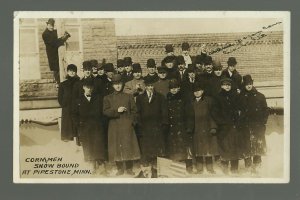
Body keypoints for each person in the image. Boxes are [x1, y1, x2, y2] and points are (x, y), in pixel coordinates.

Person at [103, 74, 141, 176]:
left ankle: (129, 168)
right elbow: (105, 111)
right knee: (116, 146)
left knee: (128, 146)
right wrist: (117, 111)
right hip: (114, 126)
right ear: (112, 86)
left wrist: (132, 122)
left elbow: (135, 111)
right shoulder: (108, 98)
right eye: (115, 84)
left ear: (122, 84)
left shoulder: (129, 96)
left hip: (127, 125)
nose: (118, 86)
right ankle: (120, 168)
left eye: (119, 84)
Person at [136, 76, 168, 177]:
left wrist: (163, 125)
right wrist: (139, 126)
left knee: (157, 149)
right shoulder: (140, 98)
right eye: (148, 86)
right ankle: (147, 171)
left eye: (152, 85)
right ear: (145, 86)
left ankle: (157, 170)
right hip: (145, 128)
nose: (150, 87)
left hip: (157, 128)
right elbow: (138, 113)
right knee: (146, 150)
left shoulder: (160, 97)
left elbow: (164, 113)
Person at [72, 79, 106, 174]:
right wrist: (79, 124)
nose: (89, 89)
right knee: (88, 146)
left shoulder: (98, 98)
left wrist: (101, 123)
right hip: (85, 128)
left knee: (98, 145)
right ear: (83, 87)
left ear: (93, 88)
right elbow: (74, 114)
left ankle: (101, 166)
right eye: (87, 87)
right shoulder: (78, 100)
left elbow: (103, 112)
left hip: (97, 127)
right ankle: (91, 166)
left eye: (91, 87)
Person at [238, 74, 269, 172]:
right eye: (247, 84)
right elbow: (237, 110)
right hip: (245, 126)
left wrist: (263, 122)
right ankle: (248, 166)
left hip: (257, 126)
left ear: (252, 84)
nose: (249, 86)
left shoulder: (260, 96)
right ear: (244, 85)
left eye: (250, 84)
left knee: (257, 145)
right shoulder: (240, 97)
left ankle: (257, 165)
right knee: (246, 145)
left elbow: (265, 110)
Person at [211, 77, 241, 174]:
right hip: (223, 127)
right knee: (224, 147)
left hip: (233, 126)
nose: (227, 87)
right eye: (225, 85)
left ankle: (234, 168)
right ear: (221, 86)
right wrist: (222, 122)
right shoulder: (217, 97)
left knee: (234, 147)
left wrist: (237, 121)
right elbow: (214, 112)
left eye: (229, 85)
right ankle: (225, 167)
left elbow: (239, 109)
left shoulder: (235, 96)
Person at [166, 79, 194, 173]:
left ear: (179, 88)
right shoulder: (168, 98)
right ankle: (177, 167)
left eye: (175, 88)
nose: (173, 90)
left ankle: (189, 166)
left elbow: (189, 114)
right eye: (171, 88)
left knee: (186, 147)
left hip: (183, 126)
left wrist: (189, 127)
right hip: (172, 127)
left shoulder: (184, 98)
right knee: (175, 148)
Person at [191, 82, 219, 174]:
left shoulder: (208, 101)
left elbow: (213, 115)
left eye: (198, 90)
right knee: (198, 149)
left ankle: (210, 168)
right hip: (197, 129)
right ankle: (199, 169)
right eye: (195, 91)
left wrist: (213, 127)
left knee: (208, 149)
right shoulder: (192, 102)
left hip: (207, 128)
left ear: (202, 91)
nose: (197, 93)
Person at [42, 18, 70, 84]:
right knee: (56, 69)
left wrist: (64, 35)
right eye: (50, 25)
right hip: (52, 54)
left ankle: (62, 82)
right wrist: (64, 38)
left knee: (62, 67)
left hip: (58, 53)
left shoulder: (54, 32)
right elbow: (54, 43)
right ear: (47, 25)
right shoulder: (45, 34)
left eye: (53, 25)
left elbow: (59, 34)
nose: (52, 27)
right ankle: (58, 83)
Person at [58, 64, 80, 142]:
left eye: (74, 71)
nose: (72, 72)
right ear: (67, 72)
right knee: (68, 130)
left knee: (76, 130)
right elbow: (60, 98)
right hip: (67, 109)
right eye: (70, 71)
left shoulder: (79, 83)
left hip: (77, 109)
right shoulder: (63, 84)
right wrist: (64, 104)